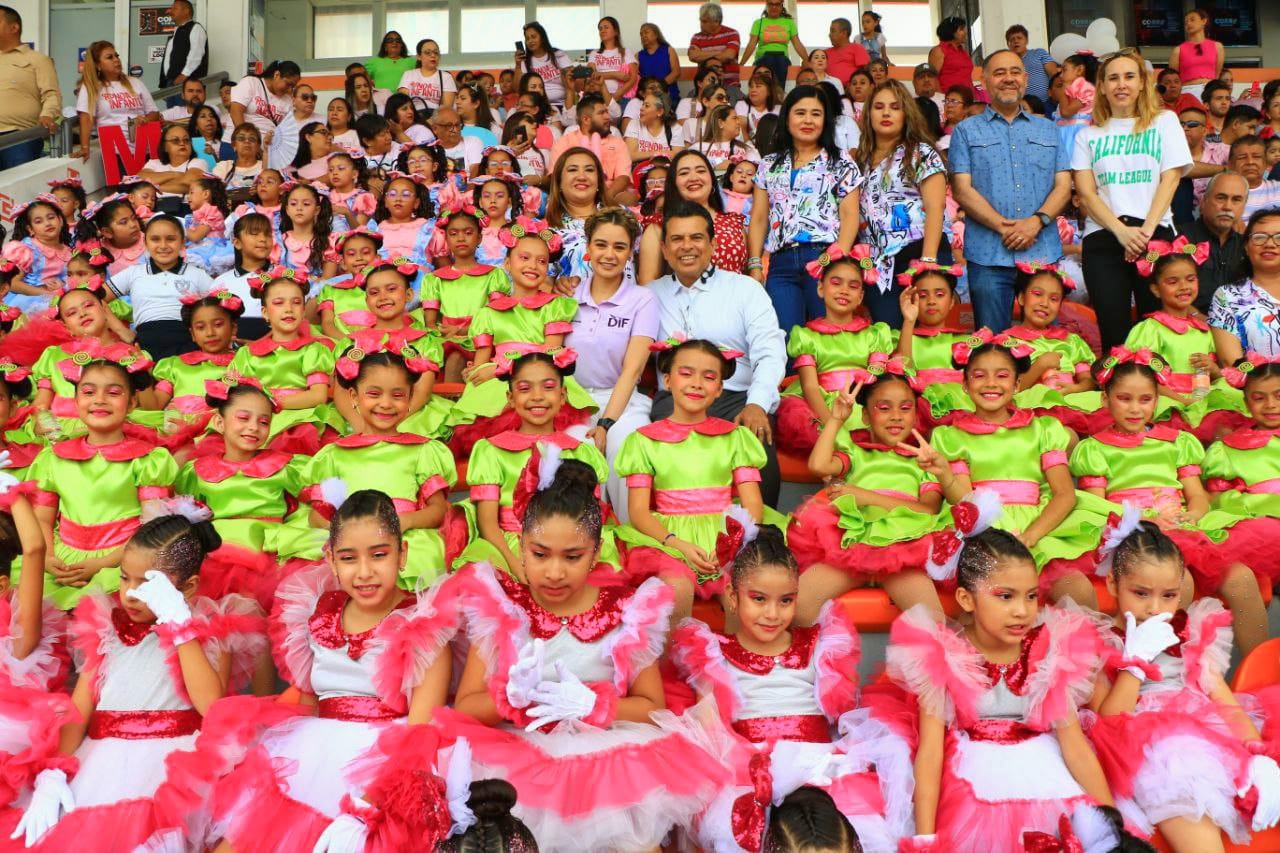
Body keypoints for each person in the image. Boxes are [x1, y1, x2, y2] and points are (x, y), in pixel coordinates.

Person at [208, 491, 466, 851]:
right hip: (311, 752)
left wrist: (377, 796)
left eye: (379, 555)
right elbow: (310, 700)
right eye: (348, 558)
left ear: (402, 553)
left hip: (383, 765)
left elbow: (421, 730)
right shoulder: (315, 613)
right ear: (330, 559)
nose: (364, 572)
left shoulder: (423, 624)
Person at [672, 526, 913, 850]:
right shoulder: (712, 651)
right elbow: (710, 730)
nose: (772, 614)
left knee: (849, 830)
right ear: (732, 596)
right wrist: (754, 767)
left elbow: (839, 716)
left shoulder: (820, 645)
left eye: (785, 601)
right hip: (748, 768)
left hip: (818, 763)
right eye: (759, 599)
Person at [886, 528, 1114, 851]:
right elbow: (930, 754)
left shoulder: (1051, 651)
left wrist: (1112, 827)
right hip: (976, 784)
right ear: (967, 599)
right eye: (1005, 596)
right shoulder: (942, 655)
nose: (1022, 610)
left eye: (1031, 596)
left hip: (1047, 778)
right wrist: (926, 837)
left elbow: (1076, 748)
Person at [1089, 522, 1280, 846]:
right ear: (1112, 583)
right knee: (1186, 782)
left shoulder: (1189, 634)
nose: (1154, 608)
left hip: (1209, 733)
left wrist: (1257, 754)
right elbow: (1107, 720)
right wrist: (1135, 663)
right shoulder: (1097, 641)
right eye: (1140, 593)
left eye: (1169, 595)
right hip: (1154, 750)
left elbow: (1224, 701)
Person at [1073, 354, 1266, 653]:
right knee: (1180, 579)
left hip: (1182, 528)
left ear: (1156, 400)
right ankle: (1160, 672)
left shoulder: (1177, 442)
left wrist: (1194, 514)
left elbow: (1197, 496)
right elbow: (1097, 506)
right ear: (1105, 399)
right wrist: (1143, 521)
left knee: (1242, 578)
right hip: (1134, 533)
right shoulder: (1094, 448)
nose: (1136, 408)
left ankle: (1263, 678)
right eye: (1124, 398)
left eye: (1146, 399)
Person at [648, 203, 786, 507]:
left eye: (696, 238)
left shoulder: (745, 289)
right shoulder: (649, 295)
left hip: (738, 397)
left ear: (712, 244)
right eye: (677, 239)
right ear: (664, 247)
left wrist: (757, 403)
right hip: (674, 400)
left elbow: (770, 351)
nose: (687, 247)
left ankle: (761, 540)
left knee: (756, 442)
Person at [1073, 48, 1193, 351]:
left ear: (1143, 83)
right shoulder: (1088, 135)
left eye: (1129, 76)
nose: (1121, 84)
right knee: (1115, 334)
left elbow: (1171, 178)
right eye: (1112, 78)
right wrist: (1121, 232)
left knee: (1158, 329)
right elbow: (1086, 193)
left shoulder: (1164, 121)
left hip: (1154, 235)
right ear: (1101, 86)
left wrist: (1145, 232)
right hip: (1104, 238)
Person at [950, 50, 1071, 333]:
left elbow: (1064, 186)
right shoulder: (966, 131)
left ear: (1026, 80)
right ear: (985, 81)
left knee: (1045, 344)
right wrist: (1004, 228)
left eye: (1015, 72)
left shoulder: (1049, 129)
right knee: (992, 346)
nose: (1008, 79)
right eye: (999, 72)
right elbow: (961, 189)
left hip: (1041, 250)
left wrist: (1035, 222)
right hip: (988, 254)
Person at [748, 85, 862, 337]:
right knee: (785, 338)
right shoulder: (769, 164)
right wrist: (755, 263)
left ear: (826, 120)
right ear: (787, 118)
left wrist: (836, 259)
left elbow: (850, 215)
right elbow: (758, 218)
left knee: (829, 336)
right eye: (800, 113)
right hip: (781, 265)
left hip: (824, 258)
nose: (808, 120)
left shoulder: (841, 162)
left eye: (816, 113)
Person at [566, 208, 656, 520]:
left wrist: (606, 424)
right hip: (572, 402)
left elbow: (633, 370)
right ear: (588, 248)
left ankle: (633, 538)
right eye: (601, 245)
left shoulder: (642, 299)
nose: (609, 254)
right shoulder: (566, 295)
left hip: (623, 401)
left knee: (626, 447)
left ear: (630, 252)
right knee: (577, 451)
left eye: (619, 247)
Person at [856, 80, 950, 325]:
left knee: (921, 336)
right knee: (889, 335)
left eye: (895, 107)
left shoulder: (921, 152)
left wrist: (927, 263)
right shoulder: (859, 159)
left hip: (919, 251)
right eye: (879, 107)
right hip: (876, 262)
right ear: (868, 113)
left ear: (906, 113)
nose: (886, 113)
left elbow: (935, 208)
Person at [74, 41, 160, 165]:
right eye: (110, 57)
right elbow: (86, 118)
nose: (116, 60)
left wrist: (144, 120)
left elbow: (154, 113)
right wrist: (85, 147)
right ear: (98, 65)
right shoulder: (90, 87)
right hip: (115, 152)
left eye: (117, 56)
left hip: (145, 149)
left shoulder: (136, 82)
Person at [1210, 208, 1280, 360]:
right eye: (1259, 237)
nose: (1270, 244)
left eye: (1279, 237)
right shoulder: (1227, 296)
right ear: (1246, 247)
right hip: (1255, 383)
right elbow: (1232, 363)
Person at [1177, 170, 1248, 313]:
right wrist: (1199, 319)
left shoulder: (1248, 246)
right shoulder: (1179, 239)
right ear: (1204, 202)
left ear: (1244, 206)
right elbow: (1165, 293)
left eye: (1236, 200)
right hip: (1187, 327)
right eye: (1221, 198)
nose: (1227, 206)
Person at [0, 6, 61, 170]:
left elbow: (51, 94)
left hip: (19, 138)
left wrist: (48, 115)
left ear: (14, 27)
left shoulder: (37, 59)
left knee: (18, 192)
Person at [548, 95, 631, 203]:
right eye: (602, 113)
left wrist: (605, 197)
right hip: (573, 194)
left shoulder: (618, 143)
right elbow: (554, 176)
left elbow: (623, 177)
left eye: (607, 112)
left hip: (608, 194)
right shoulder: (564, 142)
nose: (608, 117)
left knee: (629, 198)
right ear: (586, 119)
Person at [229, 60, 300, 145]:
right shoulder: (252, 82)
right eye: (288, 84)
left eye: (292, 87)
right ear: (276, 75)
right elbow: (235, 111)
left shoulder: (287, 100)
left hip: (269, 151)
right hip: (243, 145)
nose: (289, 89)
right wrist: (246, 140)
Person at [741, 0, 808, 88]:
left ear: (781, 6)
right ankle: (769, 92)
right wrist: (741, 64)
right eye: (771, 4)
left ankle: (778, 94)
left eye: (777, 4)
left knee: (781, 60)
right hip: (763, 58)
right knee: (769, 58)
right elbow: (751, 45)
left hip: (782, 59)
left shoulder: (789, 23)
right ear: (766, 5)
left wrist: (807, 61)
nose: (774, 7)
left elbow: (797, 44)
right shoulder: (758, 23)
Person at [516, 22, 572, 109]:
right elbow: (518, 88)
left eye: (533, 37)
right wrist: (518, 65)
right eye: (527, 39)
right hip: (537, 107)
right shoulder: (525, 61)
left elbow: (572, 81)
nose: (530, 41)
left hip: (563, 104)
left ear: (542, 38)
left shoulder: (558, 55)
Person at [158, 0, 207, 95]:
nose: (170, 12)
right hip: (172, 84)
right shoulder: (177, 31)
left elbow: (196, 54)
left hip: (186, 85)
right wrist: (163, 83)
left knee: (186, 110)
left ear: (186, 11)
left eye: (175, 8)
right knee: (173, 110)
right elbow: (168, 59)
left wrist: (184, 75)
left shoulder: (195, 28)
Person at [688, 2, 740, 89]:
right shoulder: (696, 37)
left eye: (704, 21)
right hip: (705, 87)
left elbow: (729, 56)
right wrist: (718, 52)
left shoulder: (732, 33)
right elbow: (692, 56)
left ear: (716, 21)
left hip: (730, 86)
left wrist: (702, 54)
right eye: (700, 20)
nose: (701, 24)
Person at [1229, 135, 1280, 219]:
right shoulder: (1220, 192)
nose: (1250, 162)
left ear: (1265, 163)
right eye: (1242, 157)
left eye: (1257, 157)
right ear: (1230, 164)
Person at [398, 38, 456, 112]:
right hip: (413, 116)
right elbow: (402, 104)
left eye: (436, 52)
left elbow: (447, 109)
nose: (433, 55)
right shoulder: (409, 74)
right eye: (428, 52)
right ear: (419, 56)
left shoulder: (446, 77)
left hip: (436, 118)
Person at [1171, 8, 1224, 86]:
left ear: (1204, 21)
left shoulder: (1217, 46)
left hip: (1210, 90)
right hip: (1188, 90)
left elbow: (1217, 74)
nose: (1188, 23)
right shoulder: (1178, 50)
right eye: (1186, 22)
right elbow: (1173, 77)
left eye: (1192, 20)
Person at [1006, 23, 1057, 104]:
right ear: (1008, 45)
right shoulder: (1007, 63)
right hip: (1022, 107)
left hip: (1046, 104)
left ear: (1026, 40)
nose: (1016, 41)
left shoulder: (1039, 53)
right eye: (1012, 40)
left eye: (1019, 38)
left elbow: (1054, 74)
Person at [929, 16, 973, 97]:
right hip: (948, 100)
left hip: (967, 100)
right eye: (961, 29)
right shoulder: (939, 51)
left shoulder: (963, 52)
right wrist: (942, 100)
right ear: (951, 32)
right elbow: (932, 78)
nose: (965, 32)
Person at [637, 23, 680, 104]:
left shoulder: (669, 50)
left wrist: (658, 88)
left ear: (656, 35)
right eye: (641, 34)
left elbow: (676, 73)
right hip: (648, 99)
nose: (643, 36)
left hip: (669, 96)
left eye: (646, 32)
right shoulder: (638, 55)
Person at [825, 17, 870, 86]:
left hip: (851, 90)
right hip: (829, 90)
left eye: (833, 31)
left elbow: (866, 71)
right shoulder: (824, 53)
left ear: (844, 33)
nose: (829, 34)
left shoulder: (857, 48)